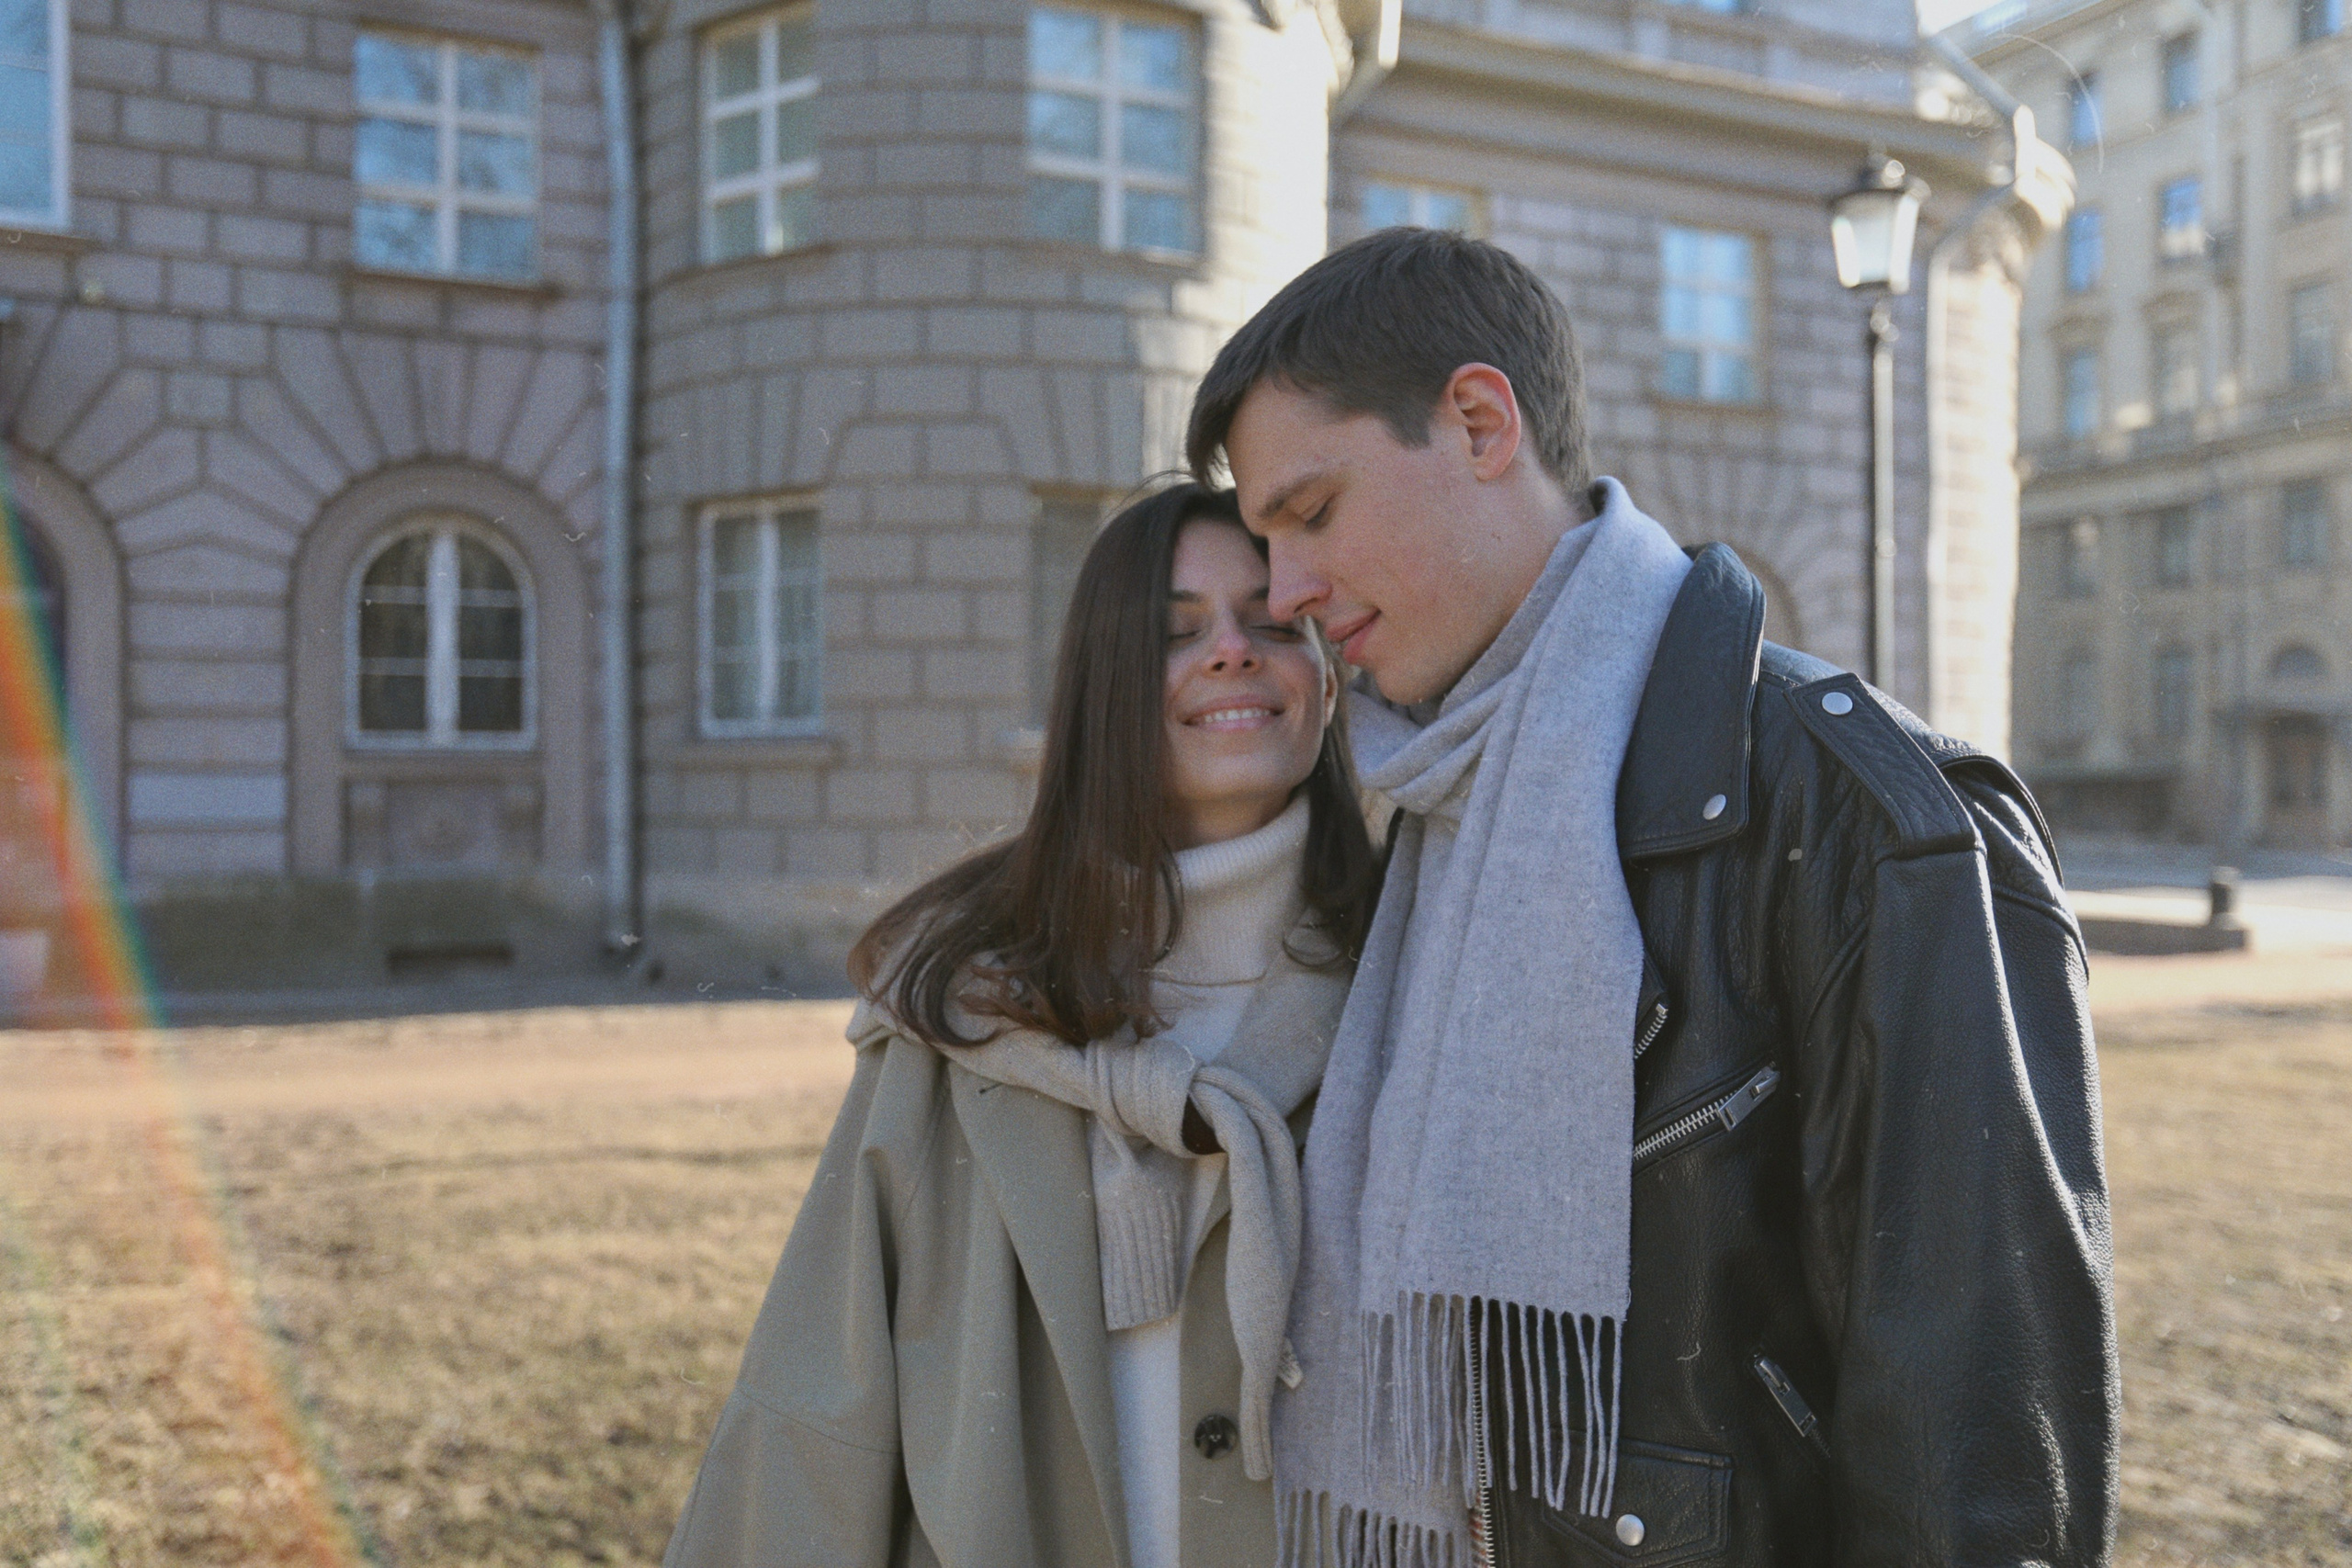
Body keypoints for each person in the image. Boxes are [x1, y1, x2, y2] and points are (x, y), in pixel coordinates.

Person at [1184, 228, 2117, 1566]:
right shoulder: (1421, 802)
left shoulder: (1862, 811)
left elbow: (1980, 1451)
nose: (1286, 593)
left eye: (1312, 512)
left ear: (1479, 421)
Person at [662, 482, 1379, 1568]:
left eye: (1275, 620)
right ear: (1103, 690)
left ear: (1326, 673)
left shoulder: (1414, 979)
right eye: (1174, 633)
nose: (1232, 652)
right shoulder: (960, 1008)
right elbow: (815, 1413)